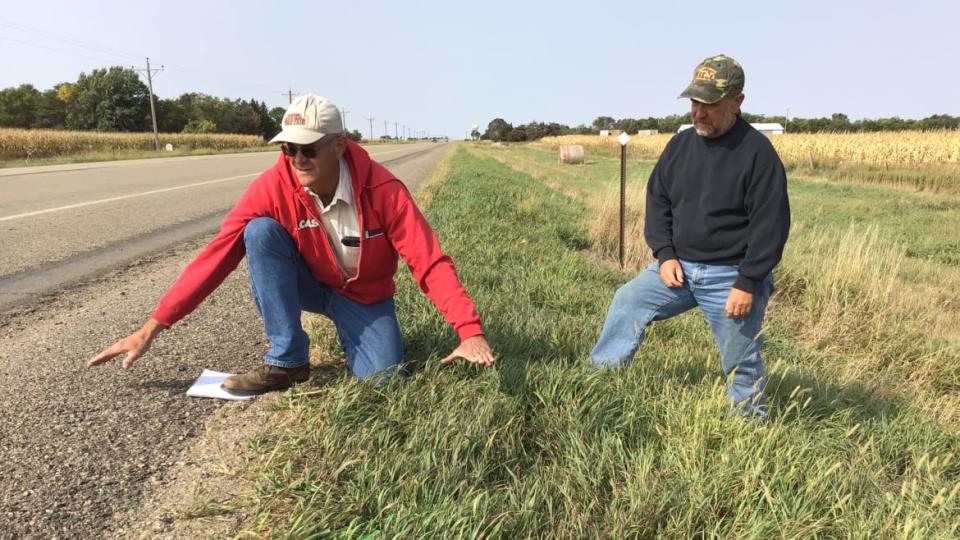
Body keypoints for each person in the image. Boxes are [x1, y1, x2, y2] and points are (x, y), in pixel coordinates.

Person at [89, 94, 495, 393]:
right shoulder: (273, 187)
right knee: (259, 232)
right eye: (288, 148)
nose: (297, 159)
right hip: (314, 285)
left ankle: (357, 337)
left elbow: (430, 262)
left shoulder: (384, 191)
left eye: (308, 148)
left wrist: (469, 330)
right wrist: (153, 326)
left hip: (365, 298)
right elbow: (217, 256)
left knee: (384, 383)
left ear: (339, 144)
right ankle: (288, 361)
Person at [590, 55, 790, 416]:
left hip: (731, 276)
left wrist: (747, 281)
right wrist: (664, 254)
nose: (698, 113)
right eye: (695, 102)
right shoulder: (680, 146)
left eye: (709, 104)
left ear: (737, 102)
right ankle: (598, 379)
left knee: (741, 357)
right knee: (628, 301)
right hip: (678, 268)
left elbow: (770, 226)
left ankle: (748, 424)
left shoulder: (758, 154)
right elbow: (658, 201)